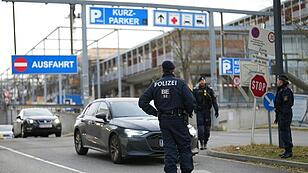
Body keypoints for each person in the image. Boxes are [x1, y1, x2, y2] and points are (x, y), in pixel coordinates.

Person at [138, 60, 196, 173]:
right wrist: (188, 112)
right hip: (179, 119)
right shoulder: (180, 83)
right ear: (173, 70)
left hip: (164, 121)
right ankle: (186, 170)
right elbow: (191, 100)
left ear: (162, 70)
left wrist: (156, 113)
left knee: (169, 149)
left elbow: (142, 102)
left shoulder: (156, 85)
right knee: (184, 147)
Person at [193, 76, 219, 150]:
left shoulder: (209, 90)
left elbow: (214, 100)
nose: (202, 82)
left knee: (207, 129)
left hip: (207, 111)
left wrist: (216, 110)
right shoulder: (195, 90)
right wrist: (193, 108)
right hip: (199, 111)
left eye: (203, 81)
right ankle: (201, 143)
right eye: (201, 81)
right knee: (201, 128)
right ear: (199, 82)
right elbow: (192, 100)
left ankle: (205, 142)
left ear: (205, 81)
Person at [274, 74, 294, 158]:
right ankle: (286, 150)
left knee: (285, 133)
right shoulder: (281, 90)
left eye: (278, 80)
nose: (277, 82)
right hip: (281, 114)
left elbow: (287, 104)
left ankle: (289, 151)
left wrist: (282, 115)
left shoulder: (286, 91)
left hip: (285, 115)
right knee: (283, 133)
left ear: (281, 81)